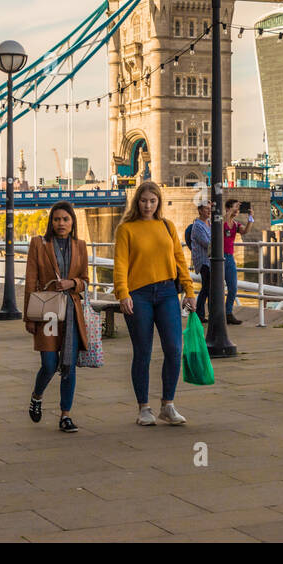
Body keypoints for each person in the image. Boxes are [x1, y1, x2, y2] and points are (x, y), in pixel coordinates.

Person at [112, 181, 194, 427]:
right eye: (144, 201)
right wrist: (122, 293)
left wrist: (189, 290)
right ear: (137, 202)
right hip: (138, 295)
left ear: (158, 203)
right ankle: (144, 408)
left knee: (174, 349)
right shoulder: (126, 229)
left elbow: (179, 259)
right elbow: (121, 264)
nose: (148, 205)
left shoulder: (167, 227)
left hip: (168, 292)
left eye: (153, 201)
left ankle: (167, 405)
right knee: (143, 352)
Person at [24, 201, 90, 433]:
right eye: (57, 219)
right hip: (47, 312)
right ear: (51, 222)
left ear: (73, 223)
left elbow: (85, 281)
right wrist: (29, 318)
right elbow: (31, 281)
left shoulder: (80, 246)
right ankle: (37, 395)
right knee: (49, 364)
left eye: (66, 219)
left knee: (69, 365)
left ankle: (65, 415)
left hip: (72, 311)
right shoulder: (39, 244)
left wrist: (72, 283)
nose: (61, 223)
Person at [190, 200, 213, 322]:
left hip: (210, 260)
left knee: (208, 287)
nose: (209, 211)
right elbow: (206, 243)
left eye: (210, 208)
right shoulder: (198, 225)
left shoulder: (209, 222)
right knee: (206, 287)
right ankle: (200, 313)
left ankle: (205, 313)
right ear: (199, 210)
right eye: (206, 209)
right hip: (203, 261)